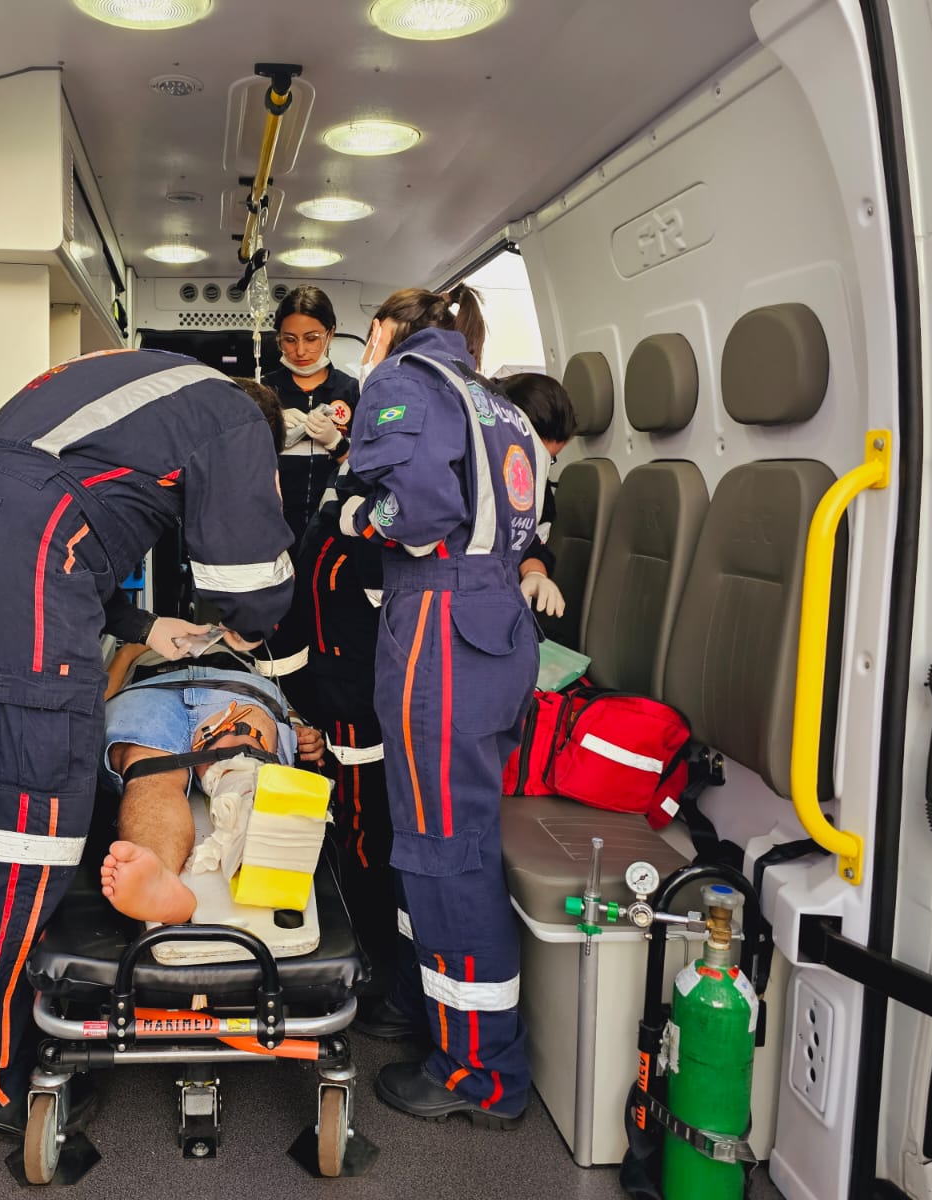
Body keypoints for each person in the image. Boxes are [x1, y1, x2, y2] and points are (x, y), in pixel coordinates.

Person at [0, 349, 293, 1140]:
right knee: (23, 826)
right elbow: (250, 581)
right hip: (31, 556)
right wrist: (251, 635)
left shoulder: (139, 387)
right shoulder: (230, 413)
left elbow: (59, 499)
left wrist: (148, 628)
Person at [342, 284, 551, 1128]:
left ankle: (479, 1072)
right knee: (447, 835)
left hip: (439, 627)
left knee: (441, 849)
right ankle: (427, 1010)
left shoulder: (401, 382)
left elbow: (418, 515)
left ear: (388, 330)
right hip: (495, 623)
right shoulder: (501, 405)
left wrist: (357, 513)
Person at [97, 658, 327, 923]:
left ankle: (161, 866)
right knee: (225, 752)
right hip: (161, 691)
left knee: (155, 770)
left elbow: (288, 697)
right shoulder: (136, 644)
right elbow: (98, 693)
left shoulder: (239, 643)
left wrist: (300, 729)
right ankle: (159, 876)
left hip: (227, 688)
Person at [264, 285, 361, 541]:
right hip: (273, 526)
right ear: (278, 338)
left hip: (333, 526)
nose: (300, 351)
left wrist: (337, 444)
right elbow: (240, 464)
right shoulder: (265, 390)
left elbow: (365, 471)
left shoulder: (350, 390)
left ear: (330, 334)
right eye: (289, 339)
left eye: (311, 338)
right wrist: (270, 431)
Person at [494, 372, 580, 619]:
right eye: (535, 457)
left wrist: (536, 575)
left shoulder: (538, 495)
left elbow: (527, 541)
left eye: (548, 460)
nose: (536, 471)